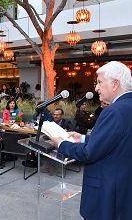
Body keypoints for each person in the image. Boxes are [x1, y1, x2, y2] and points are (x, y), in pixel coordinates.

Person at [50, 61, 132, 220]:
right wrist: (82, 138)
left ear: (115, 84)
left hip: (106, 194)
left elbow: (90, 153)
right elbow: (118, 140)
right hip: (122, 189)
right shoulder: (127, 106)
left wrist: (61, 144)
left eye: (100, 82)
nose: (96, 88)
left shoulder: (115, 110)